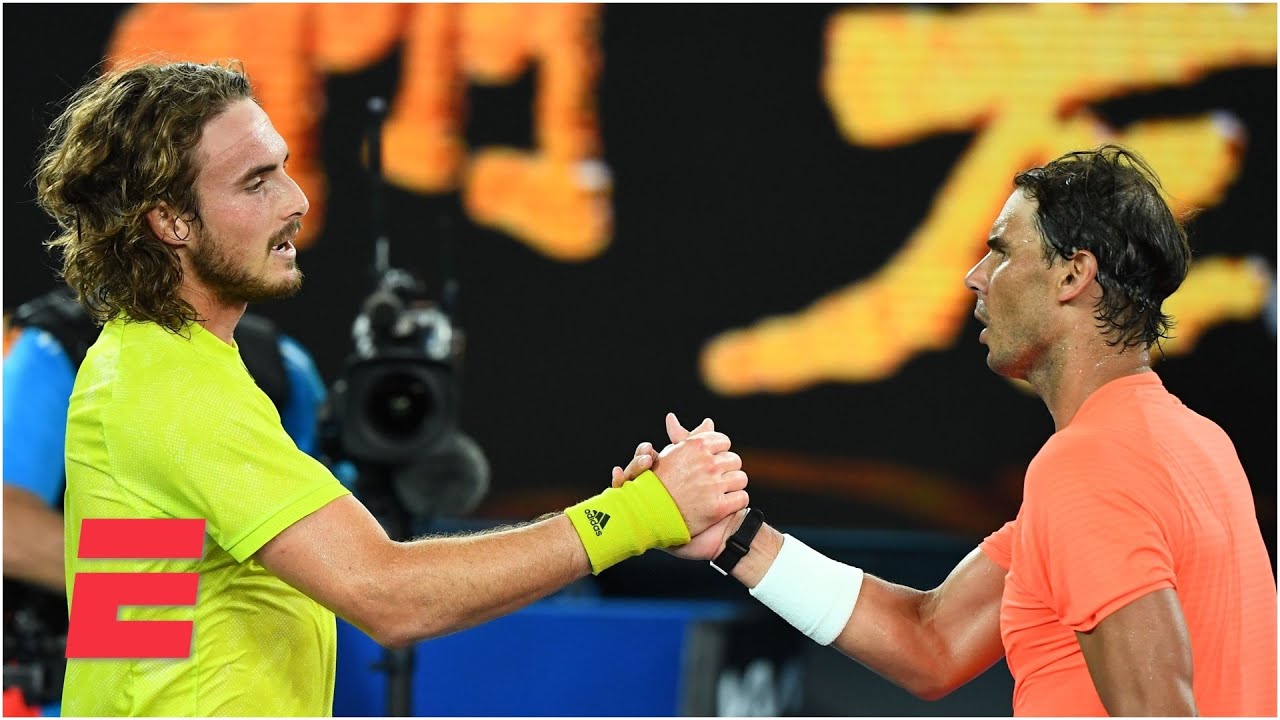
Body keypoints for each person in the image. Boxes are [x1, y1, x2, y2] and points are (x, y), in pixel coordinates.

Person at [35, 60, 748, 716]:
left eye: (284, 168)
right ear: (170, 221)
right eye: (255, 182)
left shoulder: (142, 366)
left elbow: (161, 617)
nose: (296, 200)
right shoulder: (177, 391)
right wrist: (639, 515)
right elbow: (389, 595)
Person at [617, 146, 1277, 716]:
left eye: (1000, 251)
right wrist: (736, 538)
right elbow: (932, 640)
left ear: (1074, 274)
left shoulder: (1089, 466)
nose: (974, 276)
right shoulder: (1194, 445)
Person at [1, 287, 330, 715]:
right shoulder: (58, 347)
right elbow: (9, 529)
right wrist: (184, 587)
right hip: (73, 686)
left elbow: (322, 530)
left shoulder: (279, 363)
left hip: (258, 687)